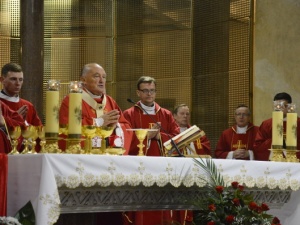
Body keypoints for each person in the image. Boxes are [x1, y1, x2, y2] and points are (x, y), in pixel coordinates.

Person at [123, 76, 180, 225]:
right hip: (138, 169)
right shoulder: (129, 114)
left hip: (162, 168)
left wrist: (158, 136)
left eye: (152, 90)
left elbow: (176, 137)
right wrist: (146, 136)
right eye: (146, 91)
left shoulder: (166, 114)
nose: (149, 94)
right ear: (138, 93)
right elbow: (124, 137)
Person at [59, 63, 133, 152]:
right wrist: (98, 122)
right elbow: (67, 128)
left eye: (104, 77)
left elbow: (126, 128)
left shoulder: (110, 101)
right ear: (83, 80)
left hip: (108, 157)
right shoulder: (72, 100)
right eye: (96, 76)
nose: (102, 81)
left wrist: (114, 127)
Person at [0, 63, 42, 152]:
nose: (18, 83)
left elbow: (38, 132)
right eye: (13, 79)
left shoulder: (28, 106)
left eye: (21, 79)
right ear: (2, 80)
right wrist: (14, 120)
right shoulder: (1, 104)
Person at [253, 92, 300, 160]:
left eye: (284, 105)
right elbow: (258, 145)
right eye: (278, 106)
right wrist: (274, 142)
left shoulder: (298, 123)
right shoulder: (267, 124)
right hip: (273, 162)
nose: (280, 109)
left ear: (289, 106)